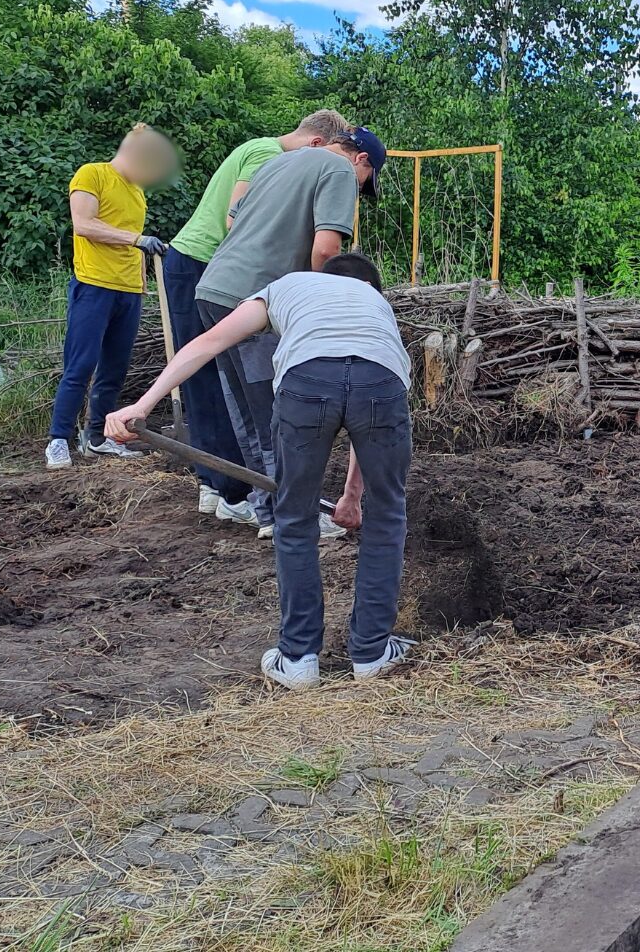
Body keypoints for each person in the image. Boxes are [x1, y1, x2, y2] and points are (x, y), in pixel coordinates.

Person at [106, 252, 414, 688]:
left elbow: (208, 342)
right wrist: (353, 497)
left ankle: (298, 659)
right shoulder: (375, 307)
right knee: (388, 516)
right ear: (371, 287)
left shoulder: (287, 285)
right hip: (381, 383)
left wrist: (143, 404)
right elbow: (363, 382)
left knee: (294, 516)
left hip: (306, 383)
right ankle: (371, 653)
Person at [195, 117, 387, 540]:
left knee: (247, 412)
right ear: (361, 159)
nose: (357, 189)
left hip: (215, 288)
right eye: (364, 181)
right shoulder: (337, 168)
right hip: (255, 295)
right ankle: (292, 516)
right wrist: (325, 303)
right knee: (277, 413)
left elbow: (234, 219)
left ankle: (268, 511)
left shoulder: (279, 162)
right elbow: (327, 247)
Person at [162, 110, 345, 525]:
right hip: (218, 269)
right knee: (255, 399)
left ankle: (231, 492)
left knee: (225, 393)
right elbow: (236, 221)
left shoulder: (260, 151)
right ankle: (255, 499)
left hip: (210, 272)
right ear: (317, 144)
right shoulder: (269, 154)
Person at [45, 123, 179, 470]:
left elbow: (129, 238)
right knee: (81, 364)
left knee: (115, 368)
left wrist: (144, 273)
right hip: (93, 285)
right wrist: (137, 240)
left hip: (129, 291)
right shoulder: (93, 174)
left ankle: (96, 439)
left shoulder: (136, 192)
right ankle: (58, 440)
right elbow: (84, 224)